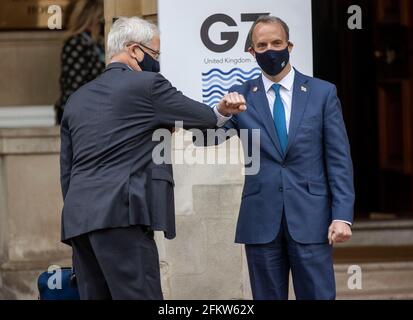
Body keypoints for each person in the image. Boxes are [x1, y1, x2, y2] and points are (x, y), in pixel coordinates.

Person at [60, 16, 246, 300]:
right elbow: (206, 118)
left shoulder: (77, 99)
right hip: (122, 216)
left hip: (78, 221)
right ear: (134, 50)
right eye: (155, 54)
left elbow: (67, 171)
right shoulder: (147, 85)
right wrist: (222, 109)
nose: (156, 61)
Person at [199, 16, 355, 300]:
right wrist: (221, 112)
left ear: (289, 46)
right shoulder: (240, 97)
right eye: (262, 45)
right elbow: (205, 140)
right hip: (261, 222)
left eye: (277, 43)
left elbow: (339, 160)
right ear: (251, 52)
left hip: (312, 220)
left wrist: (342, 216)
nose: (270, 50)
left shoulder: (322, 93)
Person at [55, 0, 105, 124]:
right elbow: (75, 86)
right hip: (81, 116)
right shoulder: (76, 43)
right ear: (91, 19)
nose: (102, 23)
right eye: (100, 19)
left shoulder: (96, 43)